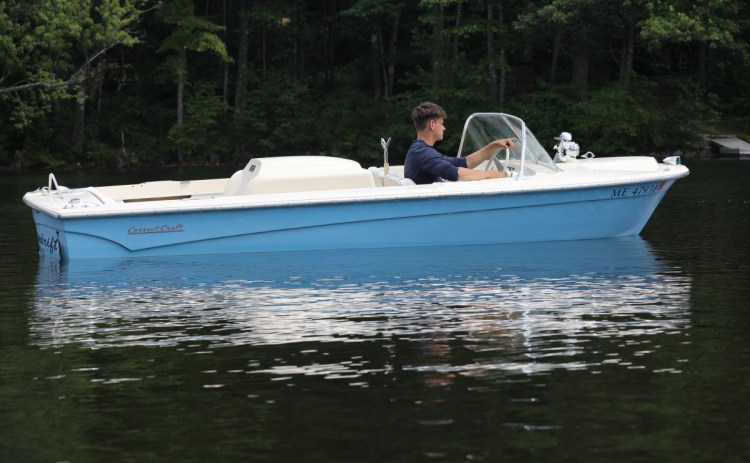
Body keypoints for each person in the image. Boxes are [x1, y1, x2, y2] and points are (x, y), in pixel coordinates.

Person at [404, 102, 515, 185]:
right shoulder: (423, 153)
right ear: (432, 124)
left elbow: (464, 163)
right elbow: (454, 173)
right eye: (442, 124)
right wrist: (490, 174)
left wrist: (494, 145)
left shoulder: (421, 150)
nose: (444, 128)